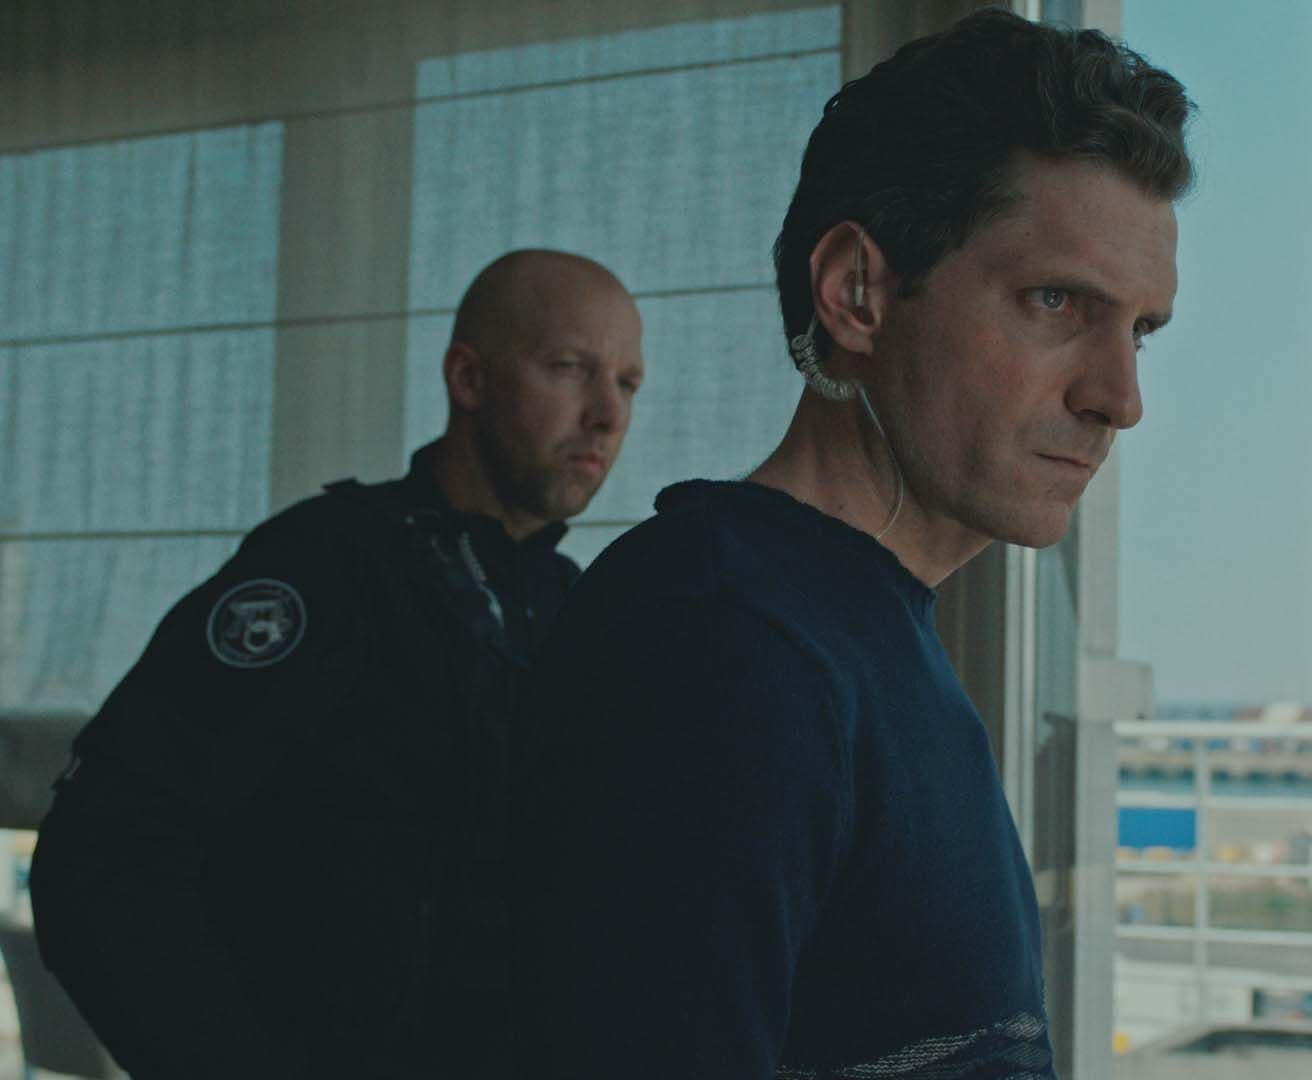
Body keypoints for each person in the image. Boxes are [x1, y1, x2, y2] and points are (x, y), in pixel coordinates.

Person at [516, 11, 1190, 1077]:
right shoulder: (724, 640)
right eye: (1056, 301)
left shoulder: (863, 631)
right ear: (857, 294)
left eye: (1141, 330)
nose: (1120, 397)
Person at [29, 249, 644, 1079]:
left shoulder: (576, 609)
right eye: (569, 368)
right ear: (468, 378)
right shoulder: (332, 567)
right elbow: (106, 854)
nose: (607, 414)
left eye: (628, 383)